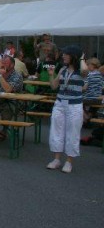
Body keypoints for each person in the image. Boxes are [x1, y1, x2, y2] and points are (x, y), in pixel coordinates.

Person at [46, 45, 84, 173]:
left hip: (74, 105)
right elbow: (53, 86)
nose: (63, 56)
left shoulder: (81, 72)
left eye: (66, 54)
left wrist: (82, 57)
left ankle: (69, 161)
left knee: (72, 132)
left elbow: (84, 70)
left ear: (73, 56)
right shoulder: (62, 69)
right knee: (56, 130)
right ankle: (56, 160)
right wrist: (51, 75)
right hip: (60, 103)